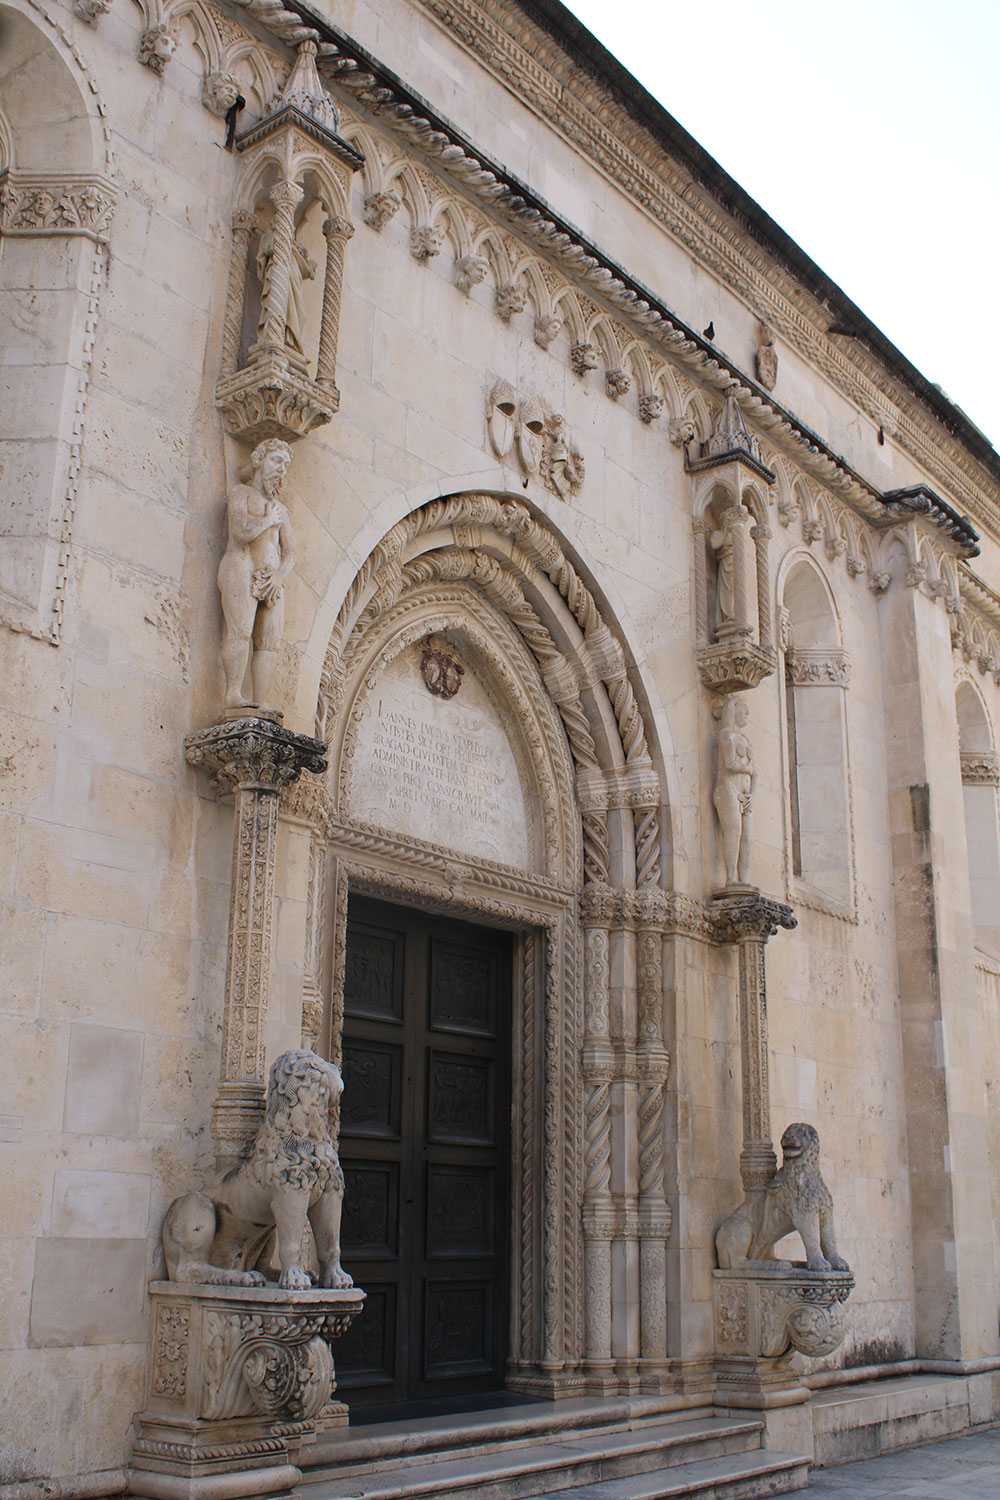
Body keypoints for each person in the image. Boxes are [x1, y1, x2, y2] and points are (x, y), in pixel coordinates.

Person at [217, 438, 295, 710]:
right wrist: (267, 521)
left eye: (285, 465)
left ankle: (261, 701)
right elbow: (238, 533)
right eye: (276, 461)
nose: (281, 469)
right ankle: (233, 693)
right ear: (259, 461)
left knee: (268, 643)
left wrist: (279, 578)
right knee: (240, 631)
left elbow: (291, 552)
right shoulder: (241, 493)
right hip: (242, 566)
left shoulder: (281, 510)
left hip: (271, 578)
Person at [713, 695, 754, 886]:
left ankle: (743, 880)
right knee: (734, 830)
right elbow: (729, 763)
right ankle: (730, 878)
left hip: (745, 794)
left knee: (747, 836)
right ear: (734, 710)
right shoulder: (726, 734)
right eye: (744, 708)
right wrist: (748, 768)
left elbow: (757, 773)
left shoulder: (745, 739)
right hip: (728, 789)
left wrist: (753, 794)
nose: (747, 712)